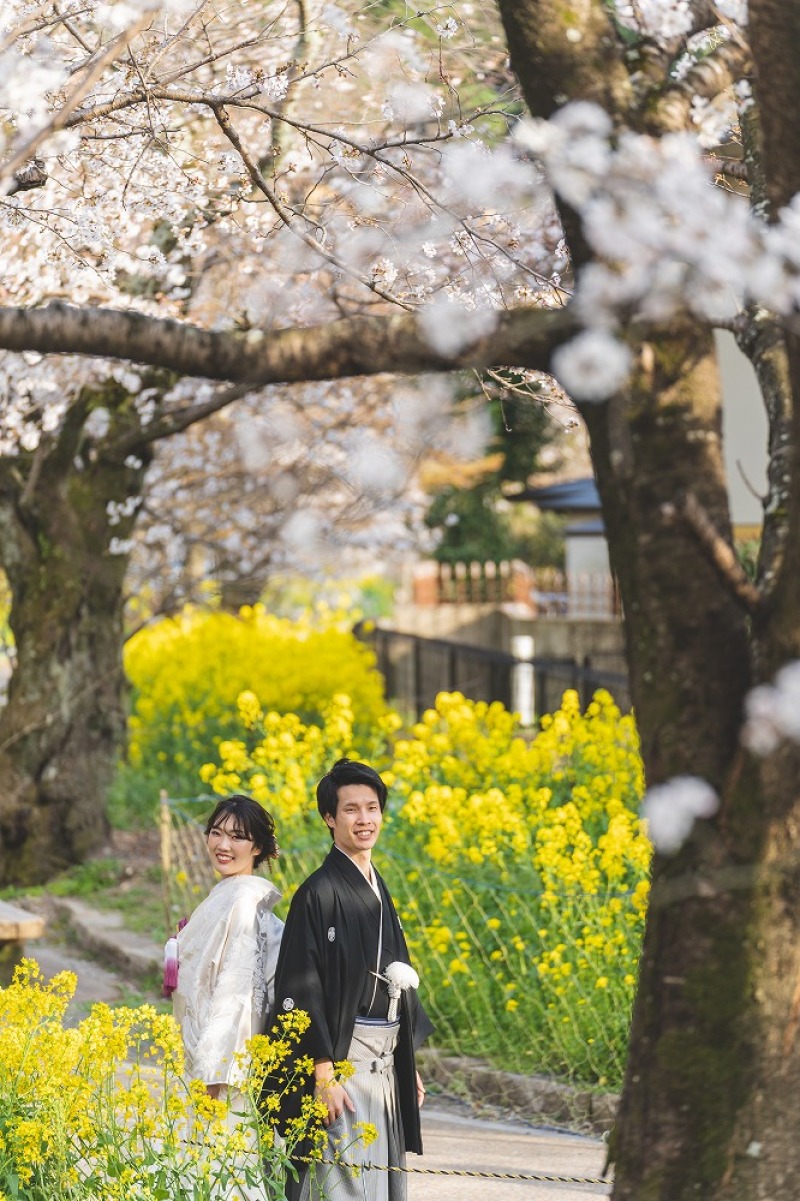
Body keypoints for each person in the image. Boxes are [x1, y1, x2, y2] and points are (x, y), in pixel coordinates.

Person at [271, 758, 433, 1201]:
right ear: (329, 817)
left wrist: (406, 1062)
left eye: (372, 808)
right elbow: (300, 988)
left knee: (378, 1183)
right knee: (341, 1185)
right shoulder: (317, 893)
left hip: (384, 1064)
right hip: (342, 1066)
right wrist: (323, 1073)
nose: (365, 819)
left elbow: (397, 981)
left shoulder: (378, 885)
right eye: (351, 809)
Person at [165, 793, 284, 1099]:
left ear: (257, 847)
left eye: (237, 837)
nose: (223, 845)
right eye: (216, 833)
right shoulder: (227, 894)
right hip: (196, 1049)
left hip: (216, 1075)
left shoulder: (243, 901)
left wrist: (213, 1074)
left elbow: (236, 992)